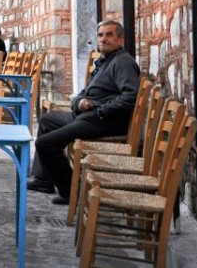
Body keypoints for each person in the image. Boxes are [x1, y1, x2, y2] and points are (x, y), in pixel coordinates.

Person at [27, 20, 140, 205]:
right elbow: (85, 92)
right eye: (100, 35)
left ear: (120, 40)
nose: (103, 39)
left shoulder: (123, 62)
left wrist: (101, 110)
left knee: (45, 144)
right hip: (87, 115)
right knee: (47, 120)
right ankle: (43, 179)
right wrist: (79, 102)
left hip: (102, 121)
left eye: (109, 35)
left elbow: (131, 96)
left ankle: (71, 192)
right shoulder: (105, 61)